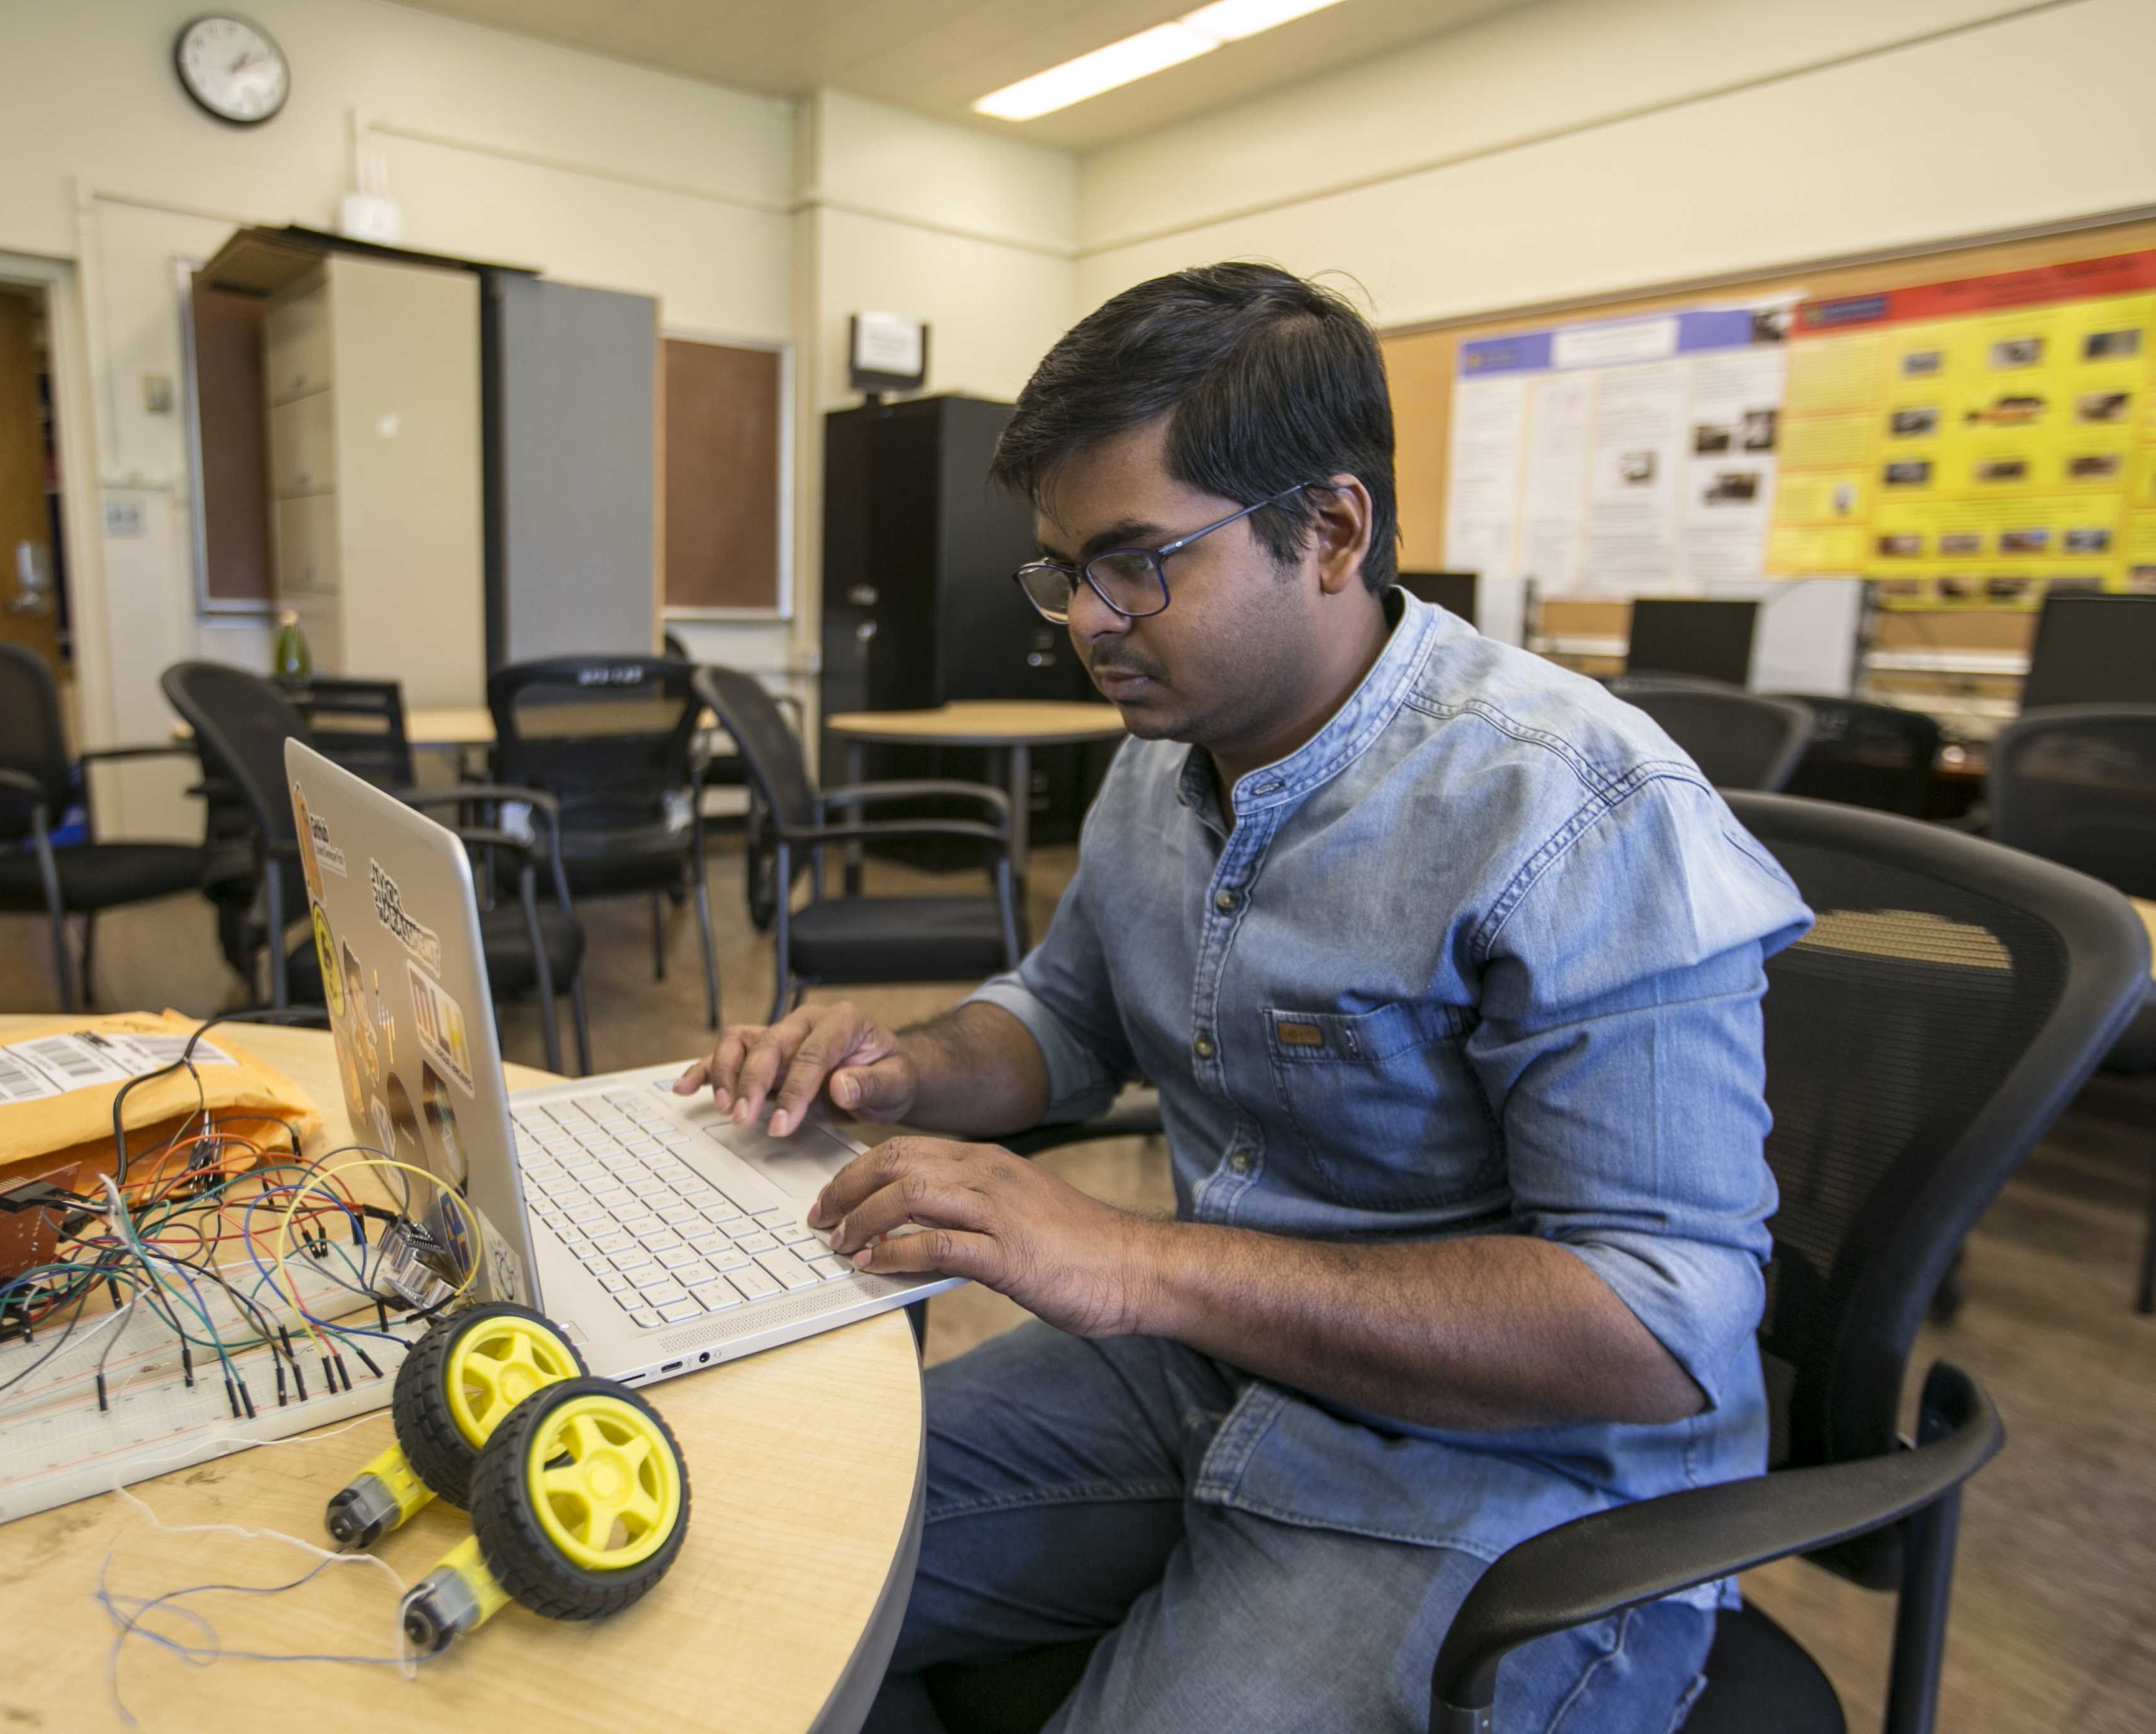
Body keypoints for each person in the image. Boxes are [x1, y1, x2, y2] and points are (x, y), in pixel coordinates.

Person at [678, 262, 1811, 1732]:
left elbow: (1660, 1331)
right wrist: (903, 1066)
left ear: (1331, 530)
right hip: (1214, 1376)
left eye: (1138, 561)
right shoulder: (1162, 760)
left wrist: (1140, 1267)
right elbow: (1067, 1017)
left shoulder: (1575, 812)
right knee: (744, 1561)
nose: (1086, 620)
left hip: (1517, 1481)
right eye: (1064, 567)